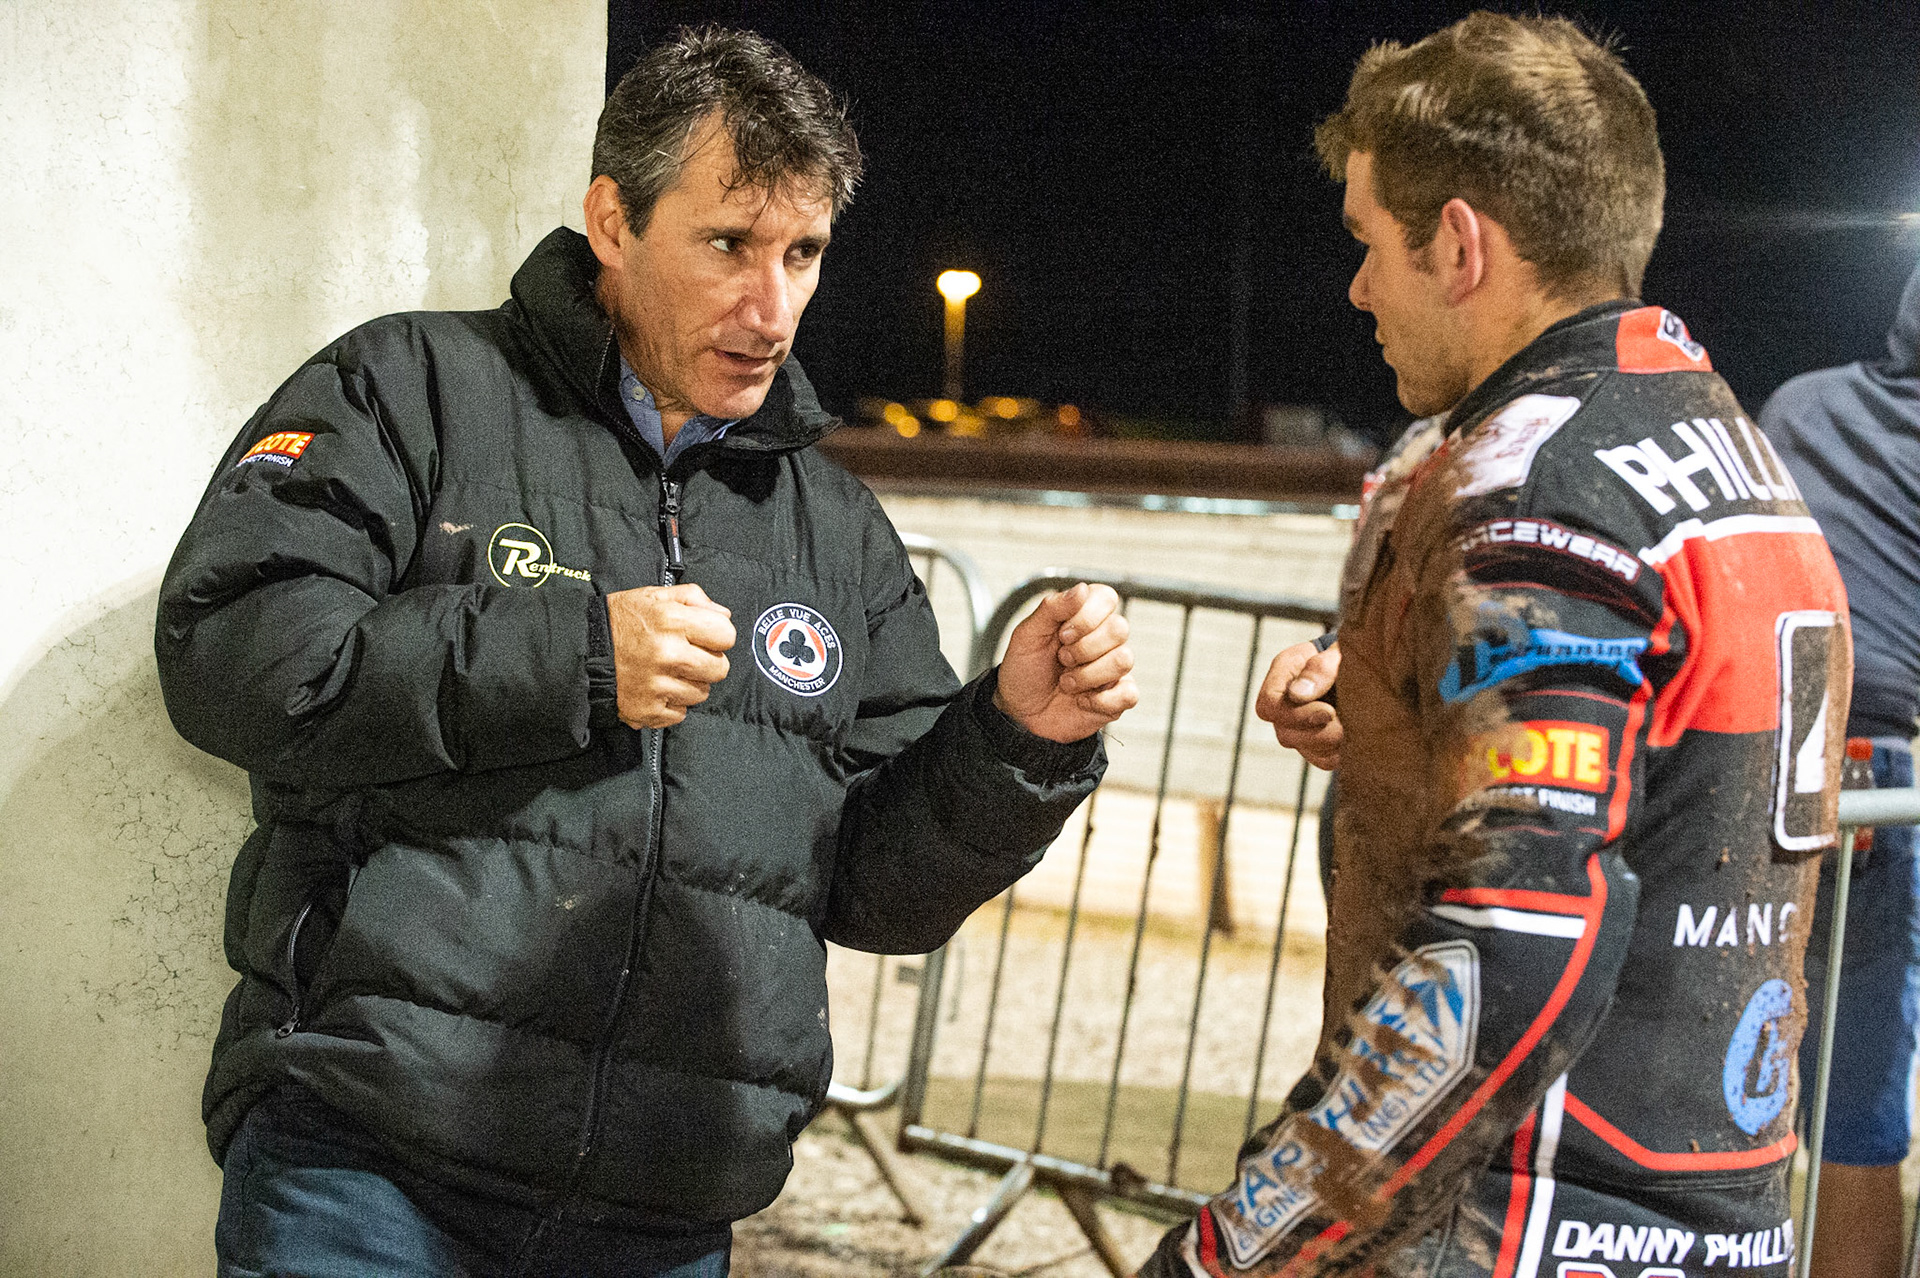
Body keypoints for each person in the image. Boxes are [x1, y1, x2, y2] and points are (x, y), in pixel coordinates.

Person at [156, 27, 1138, 1278]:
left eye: (804, 253)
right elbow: (231, 649)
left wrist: (1013, 740)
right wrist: (572, 659)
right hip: (374, 1173)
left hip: (665, 1216)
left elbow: (877, 895)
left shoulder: (837, 531)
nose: (770, 303)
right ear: (612, 223)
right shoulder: (410, 385)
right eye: (729, 243)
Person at [1142, 14, 1850, 1277]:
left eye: (1368, 244)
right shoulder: (1716, 434)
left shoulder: (1541, 487)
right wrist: (1402, 719)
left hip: (1530, 1220)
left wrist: (1245, 1243)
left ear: (1460, 244)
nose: (1357, 287)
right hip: (1717, 1206)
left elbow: (1511, 940)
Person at [1762, 258, 1920, 1278]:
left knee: (1716, 1088)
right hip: (1884, 780)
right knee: (1857, 1118)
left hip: (1755, 760)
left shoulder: (1800, 404)